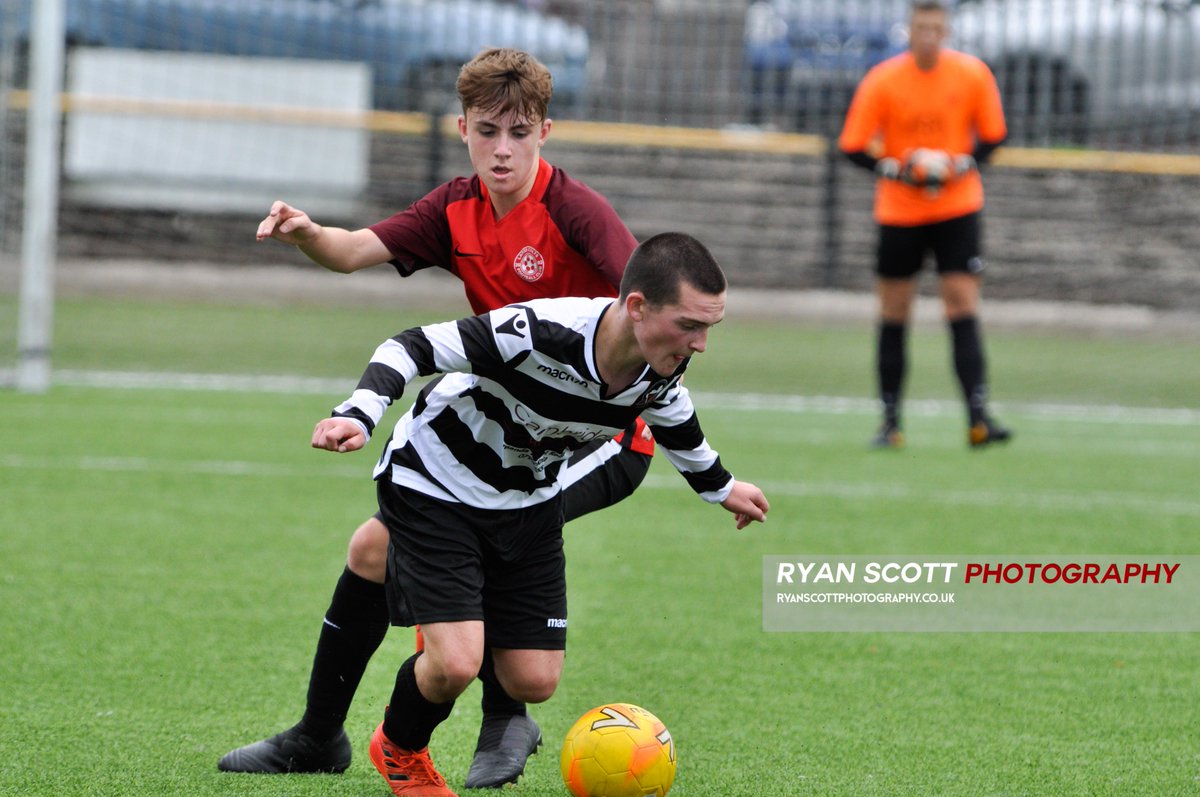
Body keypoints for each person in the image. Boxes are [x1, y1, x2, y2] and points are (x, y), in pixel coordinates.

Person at [218, 48, 654, 788]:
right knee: (373, 549)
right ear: (462, 129)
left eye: (519, 133)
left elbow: (648, 303)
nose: (502, 149)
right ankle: (319, 735)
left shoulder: (577, 213)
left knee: (487, 532)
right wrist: (308, 233)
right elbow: (352, 251)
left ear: (546, 132)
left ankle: (503, 714)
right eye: (487, 132)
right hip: (505, 428)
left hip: (598, 441)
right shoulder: (456, 208)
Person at [313, 231, 769, 796]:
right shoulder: (536, 331)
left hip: (527, 502)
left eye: (709, 327)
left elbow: (673, 414)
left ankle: (455, 635)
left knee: (534, 680)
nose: (701, 344)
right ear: (636, 306)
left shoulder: (661, 363)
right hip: (436, 484)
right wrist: (358, 413)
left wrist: (722, 487)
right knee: (456, 665)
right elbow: (410, 346)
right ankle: (400, 747)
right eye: (690, 325)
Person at [838, 0, 1012, 449]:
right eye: (921, 28)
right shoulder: (884, 79)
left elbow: (994, 136)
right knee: (894, 311)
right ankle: (890, 423)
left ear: (946, 32)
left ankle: (978, 419)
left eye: (936, 28)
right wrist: (897, 168)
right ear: (910, 32)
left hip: (957, 208)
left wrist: (960, 163)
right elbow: (852, 145)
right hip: (899, 212)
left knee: (962, 304)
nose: (929, 36)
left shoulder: (971, 74)